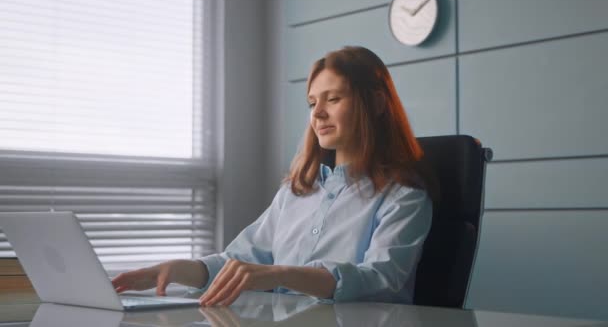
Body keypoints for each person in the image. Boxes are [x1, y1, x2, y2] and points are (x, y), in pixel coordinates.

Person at [112, 46, 434, 307]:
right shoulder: (296, 192)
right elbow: (239, 262)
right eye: (312, 102)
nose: (317, 113)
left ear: (376, 103)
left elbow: (379, 279)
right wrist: (176, 270)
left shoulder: (404, 197)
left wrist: (281, 274)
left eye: (333, 99)